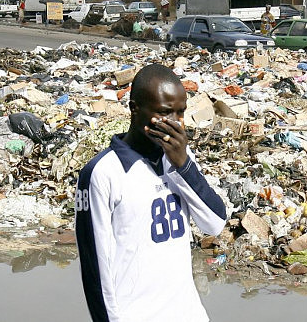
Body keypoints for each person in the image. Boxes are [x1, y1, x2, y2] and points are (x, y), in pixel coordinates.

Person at [75, 64, 226, 322]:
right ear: (135, 109)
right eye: (165, 113)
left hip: (187, 313)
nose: (175, 124)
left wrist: (183, 165)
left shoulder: (180, 158)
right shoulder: (103, 173)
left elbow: (214, 224)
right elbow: (95, 269)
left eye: (181, 113)